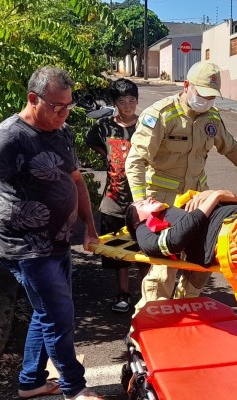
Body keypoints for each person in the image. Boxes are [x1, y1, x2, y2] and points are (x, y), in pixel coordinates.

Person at [0, 67, 102, 400]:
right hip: (24, 245)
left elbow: (76, 181)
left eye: (69, 106)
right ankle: (74, 389)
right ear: (33, 99)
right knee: (58, 315)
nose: (64, 113)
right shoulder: (9, 136)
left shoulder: (62, 132)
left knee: (47, 311)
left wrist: (91, 230)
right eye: (58, 107)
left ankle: (30, 382)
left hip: (57, 241)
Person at [125, 61, 237, 312]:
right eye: (202, 94)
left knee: (203, 261)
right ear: (186, 86)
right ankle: (147, 327)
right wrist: (141, 203)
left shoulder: (211, 117)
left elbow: (229, 146)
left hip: (198, 200)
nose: (207, 101)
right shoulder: (162, 115)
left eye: (211, 96)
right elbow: (135, 161)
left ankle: (185, 309)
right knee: (163, 270)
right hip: (162, 202)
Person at [85, 78, 149, 313]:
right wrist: (107, 156)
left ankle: (147, 295)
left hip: (141, 198)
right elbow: (91, 141)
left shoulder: (145, 126)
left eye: (132, 100)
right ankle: (123, 294)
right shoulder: (104, 126)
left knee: (144, 249)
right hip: (113, 198)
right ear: (115, 103)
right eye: (122, 101)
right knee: (120, 251)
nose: (128, 105)